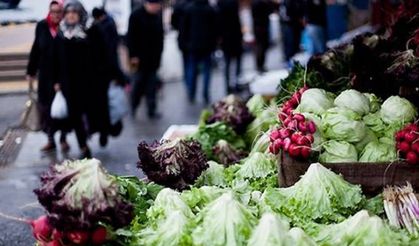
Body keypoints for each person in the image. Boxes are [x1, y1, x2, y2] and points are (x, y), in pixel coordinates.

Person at [26, 0, 69, 152]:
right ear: (49, 12)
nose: (56, 15)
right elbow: (36, 49)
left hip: (63, 76)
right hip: (45, 76)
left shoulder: (66, 28)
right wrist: (31, 71)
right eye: (53, 12)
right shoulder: (42, 26)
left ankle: (64, 138)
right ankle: (50, 139)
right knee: (46, 109)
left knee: (62, 109)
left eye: (59, 12)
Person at [55, 1, 91, 158]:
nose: (70, 16)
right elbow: (53, 60)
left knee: (77, 113)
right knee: (71, 113)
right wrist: (56, 81)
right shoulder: (61, 34)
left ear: (80, 15)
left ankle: (67, 137)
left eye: (74, 13)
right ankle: (83, 145)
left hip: (82, 83)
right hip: (65, 83)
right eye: (68, 13)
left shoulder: (86, 35)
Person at [127, 0, 164, 119]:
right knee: (138, 84)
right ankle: (133, 106)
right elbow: (131, 37)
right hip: (139, 59)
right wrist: (133, 55)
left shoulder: (157, 16)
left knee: (152, 86)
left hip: (153, 58)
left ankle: (151, 110)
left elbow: (160, 37)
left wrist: (159, 56)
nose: (156, 7)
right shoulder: (136, 15)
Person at [183, 0, 217, 103]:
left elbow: (184, 28)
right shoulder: (210, 9)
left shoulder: (189, 9)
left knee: (193, 69)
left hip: (193, 46)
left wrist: (187, 43)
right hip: (207, 45)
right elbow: (215, 28)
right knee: (207, 71)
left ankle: (191, 93)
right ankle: (205, 94)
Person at [217, 0, 243, 94]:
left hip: (226, 38)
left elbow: (218, 22)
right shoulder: (233, 3)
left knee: (227, 63)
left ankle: (227, 85)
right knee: (237, 62)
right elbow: (237, 20)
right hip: (235, 37)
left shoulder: (220, 4)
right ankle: (236, 83)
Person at [251, 0, 275, 73]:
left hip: (260, 27)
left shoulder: (259, 3)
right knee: (261, 47)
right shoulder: (258, 3)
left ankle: (260, 65)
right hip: (260, 28)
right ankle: (259, 65)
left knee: (262, 47)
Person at [171, 0, 192, 83]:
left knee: (186, 61)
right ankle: (190, 82)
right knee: (191, 62)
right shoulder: (191, 4)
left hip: (183, 37)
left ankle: (188, 82)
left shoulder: (178, 6)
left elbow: (173, 22)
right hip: (191, 37)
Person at [279, 0, 304, 65]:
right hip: (289, 25)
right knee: (289, 43)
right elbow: (284, 14)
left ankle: (292, 59)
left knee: (295, 43)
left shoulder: (296, 2)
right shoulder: (285, 2)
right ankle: (288, 60)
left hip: (295, 25)